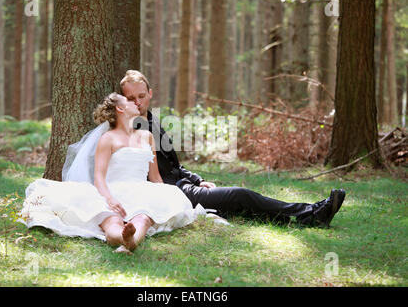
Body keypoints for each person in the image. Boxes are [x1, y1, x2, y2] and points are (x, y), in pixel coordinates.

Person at [119, 70, 346, 228]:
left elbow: (174, 164)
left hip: (184, 185)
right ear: (123, 99)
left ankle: (304, 218)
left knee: (239, 204)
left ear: (150, 93)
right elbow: (150, 176)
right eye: (131, 98)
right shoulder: (131, 130)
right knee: (240, 195)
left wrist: (197, 179)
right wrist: (185, 191)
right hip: (172, 194)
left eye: (141, 96)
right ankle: (311, 213)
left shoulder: (152, 119)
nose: (138, 102)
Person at [20, 93, 210, 254]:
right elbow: (99, 177)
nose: (135, 103)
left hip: (141, 189)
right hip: (112, 190)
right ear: (120, 109)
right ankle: (120, 237)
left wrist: (163, 198)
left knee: (143, 217)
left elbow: (155, 177)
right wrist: (110, 199)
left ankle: (132, 241)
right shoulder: (108, 138)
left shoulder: (147, 136)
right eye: (128, 101)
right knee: (111, 220)